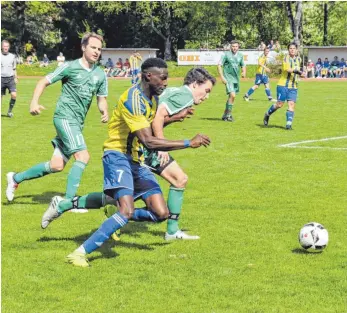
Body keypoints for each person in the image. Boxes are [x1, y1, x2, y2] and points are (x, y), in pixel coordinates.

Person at [40, 58, 211, 267]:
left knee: (160, 213)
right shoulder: (133, 98)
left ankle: (67, 204)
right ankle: (79, 253)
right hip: (117, 156)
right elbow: (148, 140)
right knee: (126, 210)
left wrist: (173, 119)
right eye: (163, 78)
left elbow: (145, 128)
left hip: (136, 160)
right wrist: (188, 142)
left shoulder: (151, 98)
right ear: (149, 76)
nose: (166, 83)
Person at [105, 67, 216, 241]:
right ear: (195, 84)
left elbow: (155, 116)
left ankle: (72, 204)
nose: (206, 96)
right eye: (206, 90)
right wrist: (161, 148)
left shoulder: (175, 91)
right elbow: (157, 118)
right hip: (145, 147)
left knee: (126, 192)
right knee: (179, 179)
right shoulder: (185, 95)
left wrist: (175, 118)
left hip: (139, 143)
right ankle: (171, 230)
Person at [6, 32, 109, 203]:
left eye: (99, 49)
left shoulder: (100, 74)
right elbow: (43, 81)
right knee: (83, 157)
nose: (96, 51)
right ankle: (68, 203)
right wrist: (34, 102)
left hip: (77, 123)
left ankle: (15, 179)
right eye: (93, 47)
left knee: (57, 165)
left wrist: (103, 110)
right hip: (64, 118)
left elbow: (101, 98)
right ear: (84, 47)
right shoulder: (69, 67)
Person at [263, 43, 306, 130]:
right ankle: (267, 114)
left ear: (297, 50)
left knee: (291, 104)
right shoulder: (286, 58)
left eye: (294, 48)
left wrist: (301, 74)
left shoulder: (299, 59)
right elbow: (287, 69)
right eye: (290, 48)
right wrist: (299, 72)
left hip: (293, 86)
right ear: (288, 50)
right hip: (283, 85)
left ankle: (288, 125)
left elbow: (296, 72)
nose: (292, 50)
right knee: (279, 104)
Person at [218, 40, 246, 122]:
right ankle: (229, 115)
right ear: (230, 47)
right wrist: (222, 77)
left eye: (236, 46)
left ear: (238, 47)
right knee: (233, 95)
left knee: (231, 97)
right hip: (228, 79)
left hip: (236, 79)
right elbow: (219, 65)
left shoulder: (240, 55)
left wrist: (244, 72)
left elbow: (243, 65)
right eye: (233, 46)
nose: (234, 48)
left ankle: (225, 115)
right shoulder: (226, 55)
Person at [1, 40, 18, 118]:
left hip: (10, 79)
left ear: (9, 47)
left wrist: (16, 77)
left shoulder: (12, 56)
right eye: (4, 46)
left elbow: (14, 68)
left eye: (7, 46)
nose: (6, 48)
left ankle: (9, 111)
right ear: (1, 47)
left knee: (14, 95)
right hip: (1, 79)